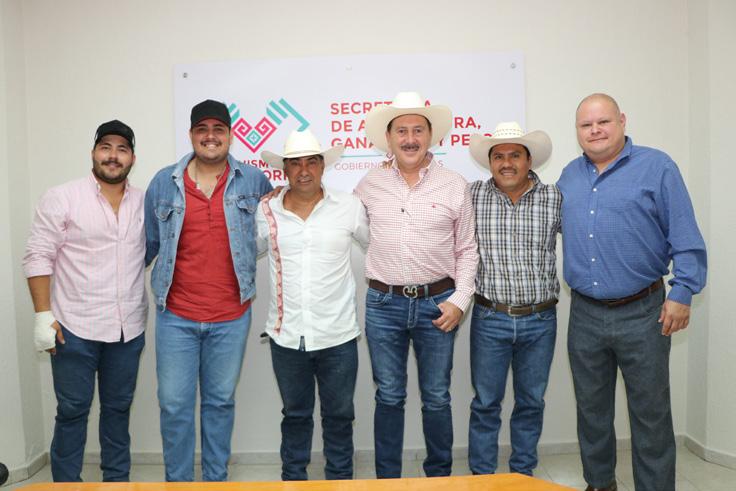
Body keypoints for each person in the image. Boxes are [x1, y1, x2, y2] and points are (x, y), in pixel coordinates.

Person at [557, 93, 707, 491]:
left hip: (644, 312)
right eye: (586, 125)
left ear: (622, 121)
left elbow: (686, 236)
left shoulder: (657, 167)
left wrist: (682, 292)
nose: (595, 130)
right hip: (584, 314)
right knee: (591, 411)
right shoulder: (569, 177)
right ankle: (599, 483)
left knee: (650, 414)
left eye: (603, 121)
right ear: (577, 131)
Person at [144, 99, 272, 481]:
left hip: (231, 316)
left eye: (218, 130)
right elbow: (149, 245)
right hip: (176, 317)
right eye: (202, 129)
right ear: (191, 135)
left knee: (220, 403)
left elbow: (269, 231)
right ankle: (179, 484)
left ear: (230, 136)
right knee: (174, 406)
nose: (210, 137)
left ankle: (216, 483)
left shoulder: (253, 181)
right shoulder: (163, 182)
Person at [354, 91, 479, 478]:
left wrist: (460, 299)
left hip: (438, 304)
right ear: (388, 138)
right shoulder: (369, 184)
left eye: (418, 131)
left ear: (431, 136)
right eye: (402, 131)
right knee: (389, 396)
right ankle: (387, 481)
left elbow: (467, 249)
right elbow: (337, 216)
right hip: (383, 305)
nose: (410, 139)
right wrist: (284, 195)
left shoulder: (454, 184)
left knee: (437, 397)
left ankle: (439, 479)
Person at [23, 120, 146, 482]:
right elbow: (38, 255)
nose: (113, 156)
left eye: (122, 149)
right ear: (93, 153)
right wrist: (42, 315)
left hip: (127, 330)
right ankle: (66, 485)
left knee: (118, 411)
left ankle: (116, 483)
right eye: (106, 147)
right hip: (74, 329)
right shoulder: (63, 197)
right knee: (73, 411)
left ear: (132, 158)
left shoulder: (144, 201)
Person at [256, 129, 369, 481]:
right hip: (287, 336)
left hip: (338, 335)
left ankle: (340, 482)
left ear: (322, 166)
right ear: (284, 170)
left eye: (311, 162)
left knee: (340, 416)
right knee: (295, 415)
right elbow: (245, 251)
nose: (303, 170)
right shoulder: (266, 209)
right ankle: (294, 482)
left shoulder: (349, 206)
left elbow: (378, 248)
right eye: (295, 163)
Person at [467, 122, 560, 476]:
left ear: (529, 160)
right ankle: (482, 478)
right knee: (485, 404)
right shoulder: (471, 196)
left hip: (540, 320)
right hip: (490, 318)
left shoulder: (555, 198)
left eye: (515, 155)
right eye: (499, 157)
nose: (507, 163)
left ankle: (522, 476)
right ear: (490, 163)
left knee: (531, 402)